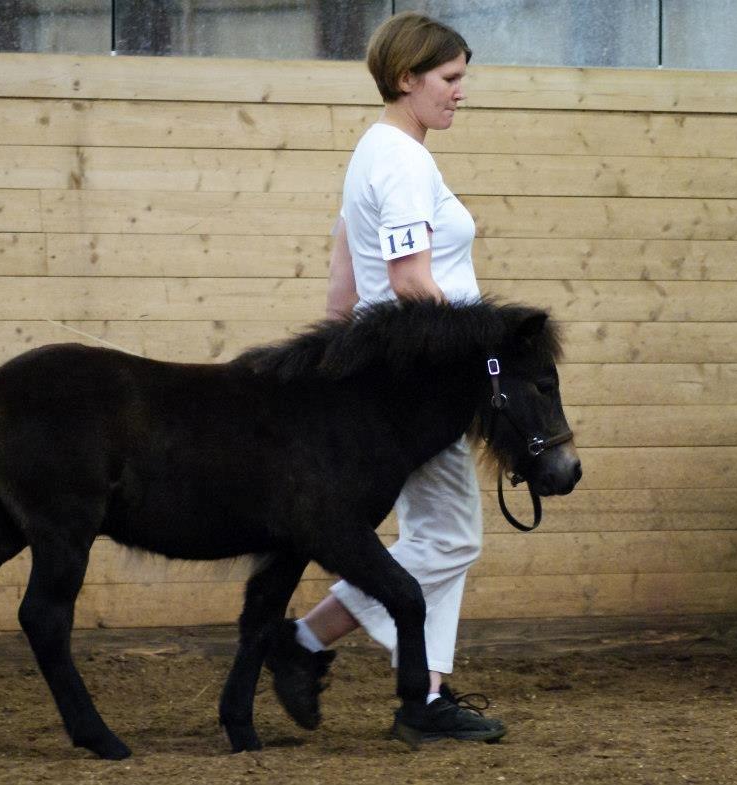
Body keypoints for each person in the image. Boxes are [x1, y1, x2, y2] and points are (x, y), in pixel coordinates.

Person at [265, 11, 506, 744]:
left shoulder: (373, 155)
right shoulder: (401, 161)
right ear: (408, 78)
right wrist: (477, 358)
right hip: (415, 383)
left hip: (387, 381)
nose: (461, 93)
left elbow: (342, 294)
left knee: (443, 533)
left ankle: (423, 690)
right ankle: (307, 642)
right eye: (451, 79)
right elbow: (408, 282)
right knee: (452, 536)